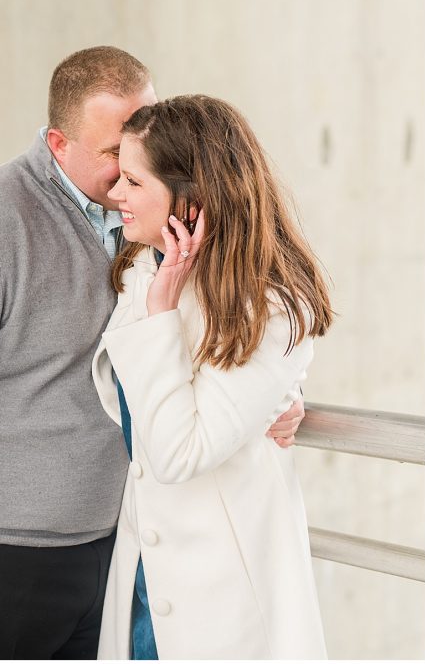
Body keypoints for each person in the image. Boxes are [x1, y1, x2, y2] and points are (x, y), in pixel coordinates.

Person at [0, 47, 304, 659]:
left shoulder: (148, 243)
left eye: (140, 148)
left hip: (109, 554)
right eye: (112, 155)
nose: (129, 166)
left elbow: (211, 338)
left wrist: (272, 394)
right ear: (57, 143)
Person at [93, 94, 332, 659]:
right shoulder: (143, 271)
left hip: (220, 603)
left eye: (133, 181)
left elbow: (177, 454)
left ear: (191, 199)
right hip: (142, 581)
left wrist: (163, 316)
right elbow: (136, 411)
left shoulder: (271, 307)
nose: (114, 194)